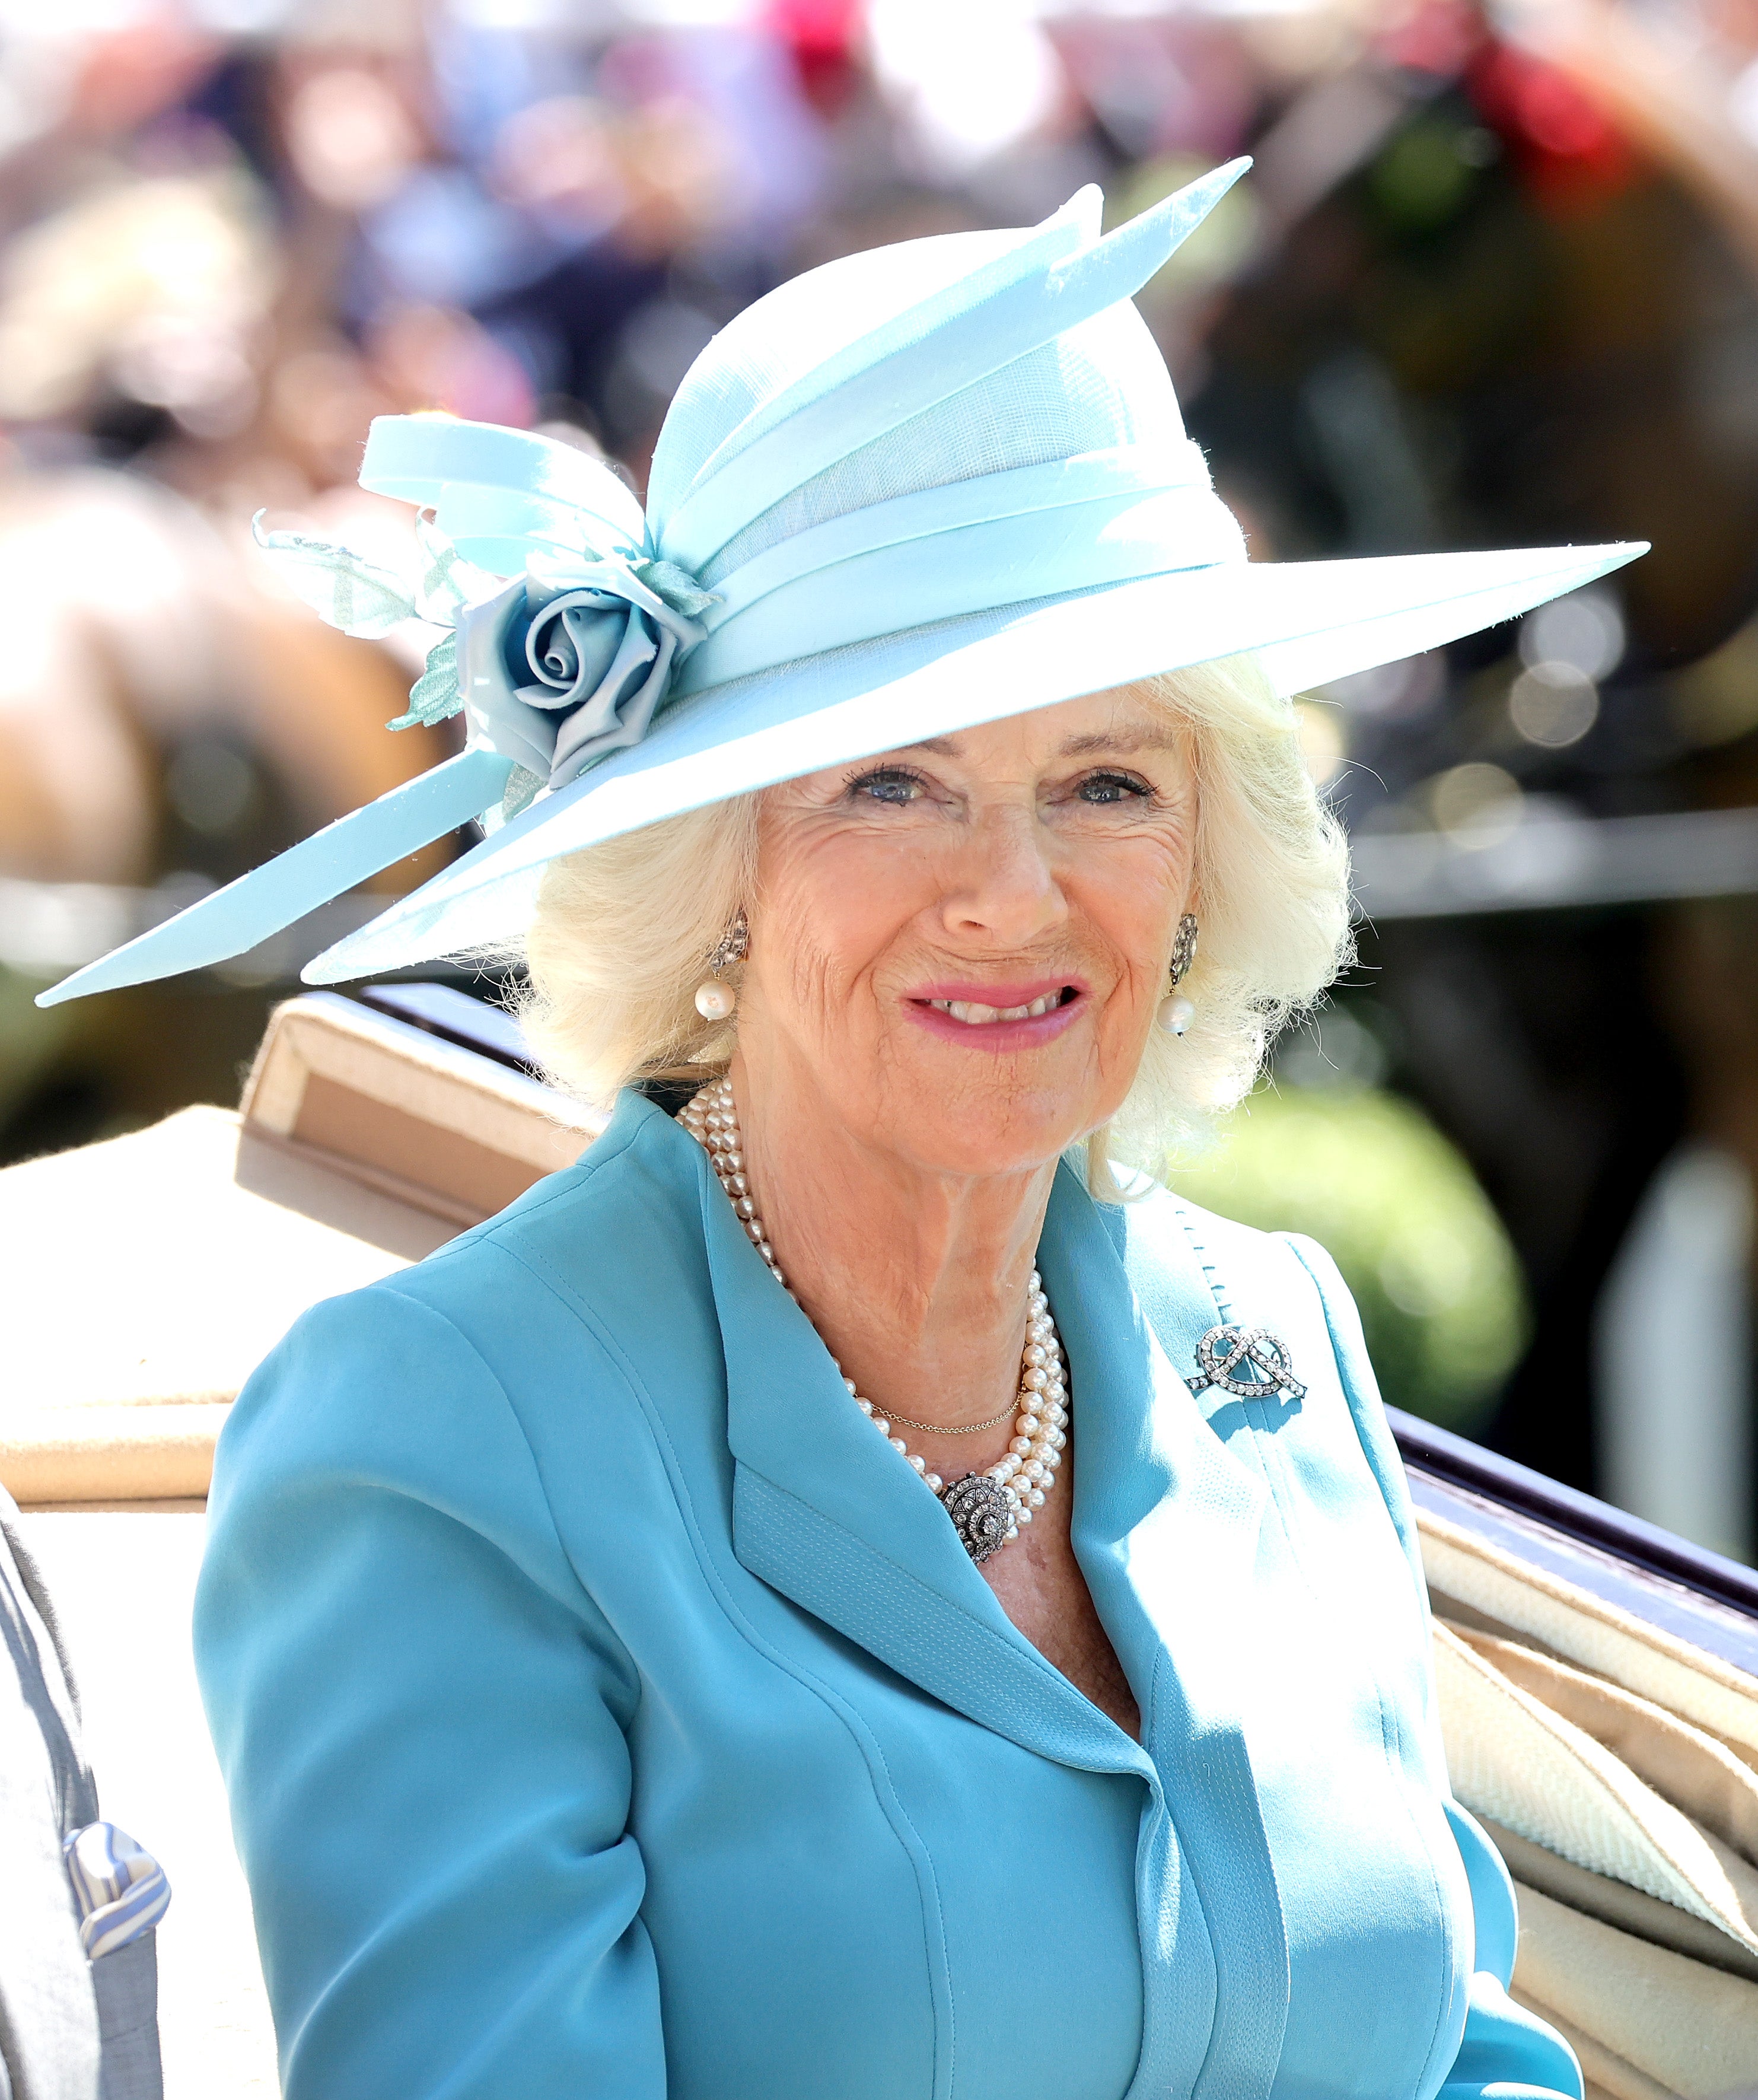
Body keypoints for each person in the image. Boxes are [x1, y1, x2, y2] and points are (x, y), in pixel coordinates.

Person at [46, 161, 1641, 2098]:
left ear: (1210, 855)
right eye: (891, 784)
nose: (1011, 892)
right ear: (711, 872)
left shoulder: (1273, 1347)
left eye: (1109, 779)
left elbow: (1455, 2049)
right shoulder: (436, 1437)